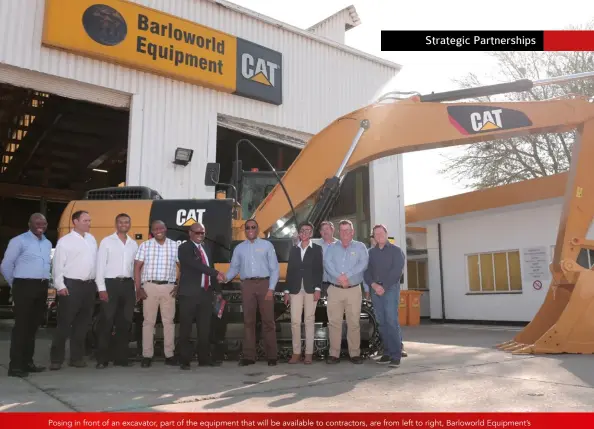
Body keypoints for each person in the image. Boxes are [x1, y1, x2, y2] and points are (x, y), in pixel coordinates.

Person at [1, 213, 52, 377]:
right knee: (21, 327)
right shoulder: (18, 241)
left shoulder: (47, 243)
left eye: (43, 223)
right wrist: (15, 284)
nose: (41, 225)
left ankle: (27, 362)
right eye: (37, 222)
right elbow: (6, 265)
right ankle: (15, 366)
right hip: (23, 285)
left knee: (33, 327)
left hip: (41, 286)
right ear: (29, 223)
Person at [223, 219, 280, 366]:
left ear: (257, 228)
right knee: (249, 322)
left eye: (253, 227)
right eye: (247, 227)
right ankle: (249, 356)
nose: (250, 229)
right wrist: (224, 278)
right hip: (247, 285)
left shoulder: (267, 245)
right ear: (245, 230)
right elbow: (234, 268)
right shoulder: (239, 249)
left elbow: (274, 269)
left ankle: (272, 356)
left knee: (268, 321)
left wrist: (271, 288)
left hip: (264, 284)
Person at [50, 210, 98, 370]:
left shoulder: (91, 240)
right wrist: (60, 286)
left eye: (89, 220)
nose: (88, 223)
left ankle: (76, 358)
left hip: (89, 286)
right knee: (64, 324)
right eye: (85, 220)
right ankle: (56, 359)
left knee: (82, 324)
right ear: (75, 222)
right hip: (71, 286)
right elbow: (57, 266)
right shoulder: (65, 242)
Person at [177, 222, 226, 369]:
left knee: (205, 328)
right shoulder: (184, 247)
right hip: (189, 294)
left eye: (202, 233)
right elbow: (194, 264)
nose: (200, 235)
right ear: (190, 233)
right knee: (185, 328)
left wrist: (217, 290)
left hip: (205, 293)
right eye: (197, 232)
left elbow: (210, 267)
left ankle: (204, 358)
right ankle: (184, 360)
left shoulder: (206, 248)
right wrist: (215, 273)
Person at [94, 213, 139, 369]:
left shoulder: (133, 244)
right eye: (121, 222)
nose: (124, 224)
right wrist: (101, 288)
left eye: (126, 222)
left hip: (127, 285)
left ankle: (121, 358)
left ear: (129, 224)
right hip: (110, 284)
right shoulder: (107, 242)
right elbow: (99, 266)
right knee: (106, 322)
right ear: (116, 224)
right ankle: (102, 359)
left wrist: (135, 289)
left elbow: (135, 269)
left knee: (124, 324)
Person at [134, 220, 179, 368]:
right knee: (148, 322)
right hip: (150, 287)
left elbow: (182, 267)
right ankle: (147, 355)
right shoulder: (145, 246)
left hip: (168, 287)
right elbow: (137, 268)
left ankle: (169, 354)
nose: (158, 230)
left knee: (169, 322)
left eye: (161, 227)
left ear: (166, 228)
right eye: (155, 229)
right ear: (152, 231)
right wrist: (138, 288)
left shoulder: (175, 246)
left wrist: (179, 285)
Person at [323, 220, 369, 364]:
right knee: (334, 323)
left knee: (353, 322)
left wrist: (346, 276)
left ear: (352, 232)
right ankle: (334, 354)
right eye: (342, 230)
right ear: (338, 232)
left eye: (347, 230)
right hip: (334, 290)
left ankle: (354, 353)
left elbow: (363, 264)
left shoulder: (360, 247)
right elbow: (327, 263)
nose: (344, 233)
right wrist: (339, 277)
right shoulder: (331, 247)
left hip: (353, 290)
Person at [364, 224, 406, 368]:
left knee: (391, 320)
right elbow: (366, 272)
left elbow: (396, 271)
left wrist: (384, 286)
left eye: (381, 233)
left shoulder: (396, 251)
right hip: (376, 289)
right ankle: (387, 352)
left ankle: (396, 354)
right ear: (373, 237)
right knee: (381, 321)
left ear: (386, 234)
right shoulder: (370, 253)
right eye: (376, 234)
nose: (379, 236)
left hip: (390, 289)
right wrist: (374, 285)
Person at [284, 221, 323, 365]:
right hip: (295, 290)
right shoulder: (294, 250)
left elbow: (319, 270)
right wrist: (287, 291)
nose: (305, 232)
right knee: (295, 321)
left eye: (308, 230)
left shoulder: (317, 249)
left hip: (311, 290)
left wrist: (318, 289)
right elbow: (290, 271)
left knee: (309, 320)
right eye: (302, 230)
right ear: (299, 233)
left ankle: (308, 353)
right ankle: (296, 352)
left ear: (311, 233)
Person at [313, 221, 338, 296]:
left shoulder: (340, 245)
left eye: (327, 229)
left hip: (335, 284)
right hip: (318, 285)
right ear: (320, 232)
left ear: (332, 230)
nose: (325, 231)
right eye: (322, 230)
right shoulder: (314, 243)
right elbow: (300, 244)